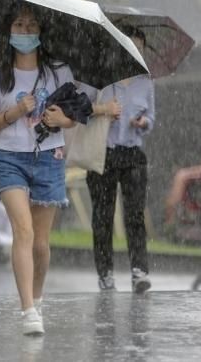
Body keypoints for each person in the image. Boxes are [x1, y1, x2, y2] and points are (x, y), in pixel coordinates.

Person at [0, 4, 77, 335]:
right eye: (18, 25)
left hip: (50, 157)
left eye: (31, 25)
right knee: (23, 231)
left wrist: (59, 119)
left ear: (40, 32)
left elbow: (74, 115)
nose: (25, 31)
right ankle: (28, 311)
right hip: (10, 160)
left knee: (41, 244)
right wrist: (15, 111)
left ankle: (38, 296)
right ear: (9, 32)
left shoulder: (58, 72)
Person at [83, 28, 155, 294]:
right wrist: (103, 111)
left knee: (135, 215)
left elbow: (152, 118)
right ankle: (105, 273)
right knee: (103, 216)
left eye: (140, 49)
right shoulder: (99, 78)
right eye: (129, 47)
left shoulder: (145, 82)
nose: (135, 53)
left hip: (133, 153)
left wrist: (143, 122)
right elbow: (79, 107)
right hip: (103, 153)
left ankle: (139, 271)